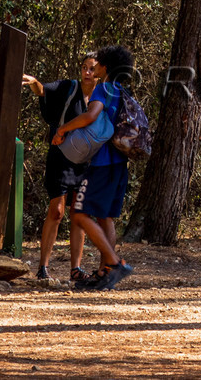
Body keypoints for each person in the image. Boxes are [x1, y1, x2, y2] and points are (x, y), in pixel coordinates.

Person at [55, 44, 136, 291]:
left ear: (106, 67)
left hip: (102, 163)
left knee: (79, 213)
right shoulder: (122, 91)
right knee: (105, 217)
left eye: (98, 63)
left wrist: (63, 129)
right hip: (120, 163)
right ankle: (105, 273)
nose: (95, 66)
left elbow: (91, 116)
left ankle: (114, 263)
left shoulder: (103, 88)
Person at [23, 54, 103, 284]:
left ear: (99, 73)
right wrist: (33, 82)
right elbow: (42, 91)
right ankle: (43, 268)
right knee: (57, 211)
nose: (87, 72)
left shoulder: (101, 96)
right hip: (61, 156)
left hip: (86, 161)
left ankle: (75, 269)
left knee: (79, 213)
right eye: (84, 67)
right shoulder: (68, 87)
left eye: (92, 69)